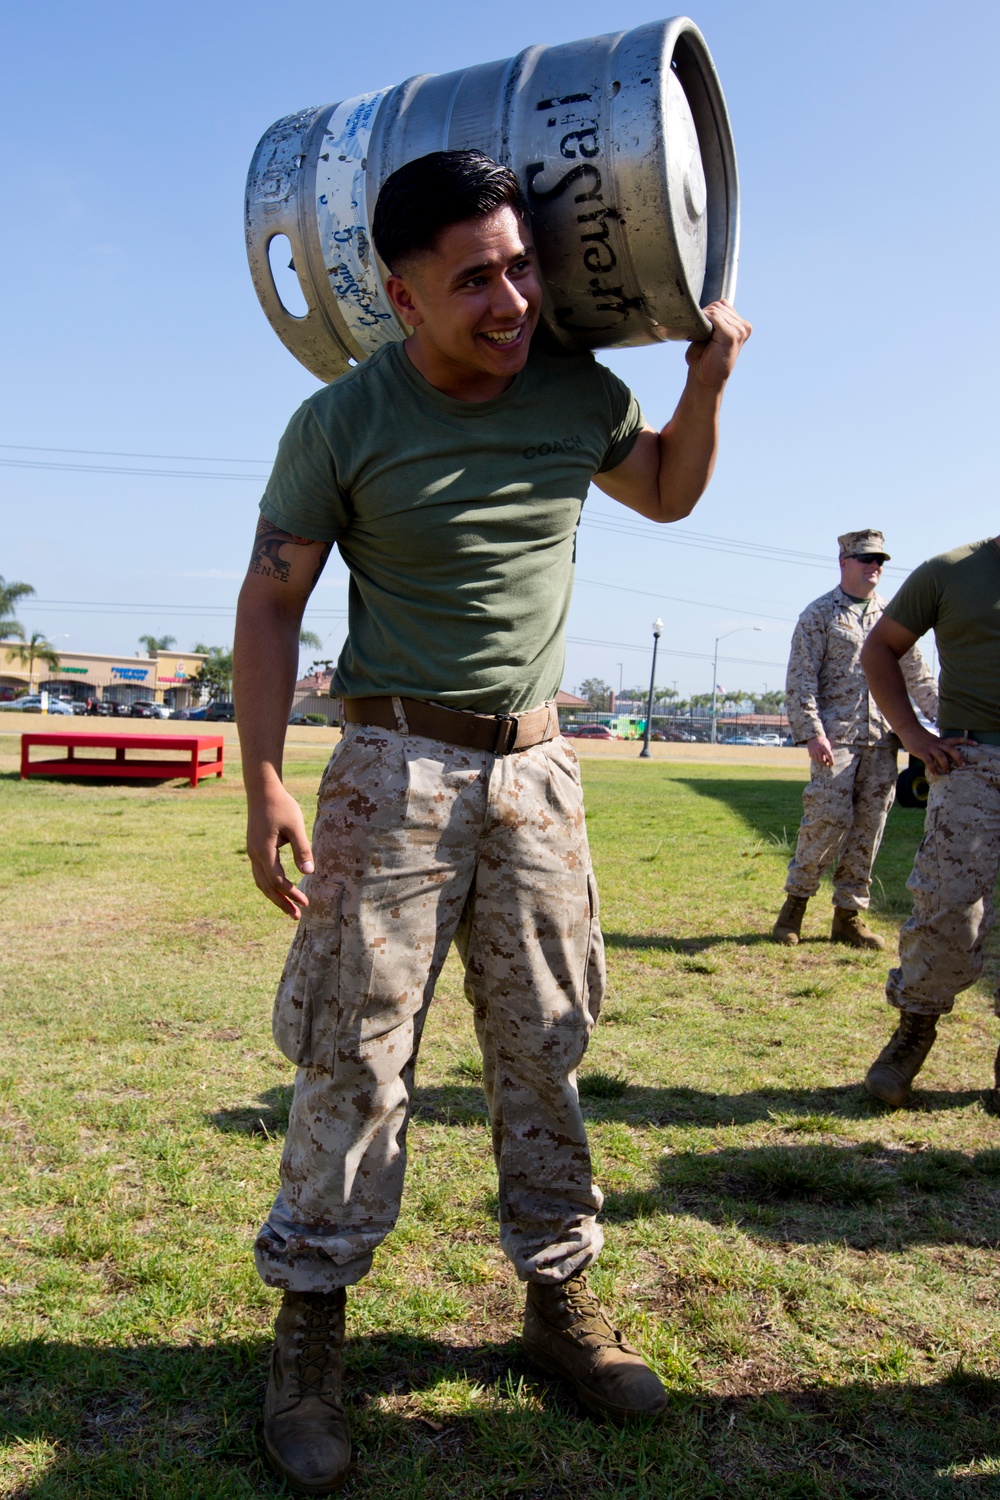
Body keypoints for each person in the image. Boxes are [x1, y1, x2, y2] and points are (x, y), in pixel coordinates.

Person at [233, 149, 751, 1494]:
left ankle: (560, 1307)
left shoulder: (575, 392)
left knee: (547, 1047)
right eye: (475, 280)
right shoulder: (342, 422)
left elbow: (669, 491)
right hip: (388, 770)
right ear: (401, 298)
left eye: (523, 266)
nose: (513, 298)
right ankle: (311, 1332)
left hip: (536, 773)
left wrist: (704, 385)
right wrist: (265, 777)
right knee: (353, 1056)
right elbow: (272, 601)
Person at [859, 535, 1000, 1107]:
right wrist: (913, 735)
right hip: (974, 764)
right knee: (948, 907)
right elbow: (879, 650)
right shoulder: (950, 572)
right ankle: (914, 1028)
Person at [773, 530, 938, 949]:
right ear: (844, 560)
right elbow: (800, 680)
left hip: (882, 741)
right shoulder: (819, 615)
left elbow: (918, 677)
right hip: (837, 740)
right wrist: (812, 733)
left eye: (880, 559)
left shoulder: (893, 617)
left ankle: (848, 917)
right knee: (826, 820)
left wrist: (951, 719)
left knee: (868, 828)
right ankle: (794, 908)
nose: (874, 566)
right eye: (865, 558)